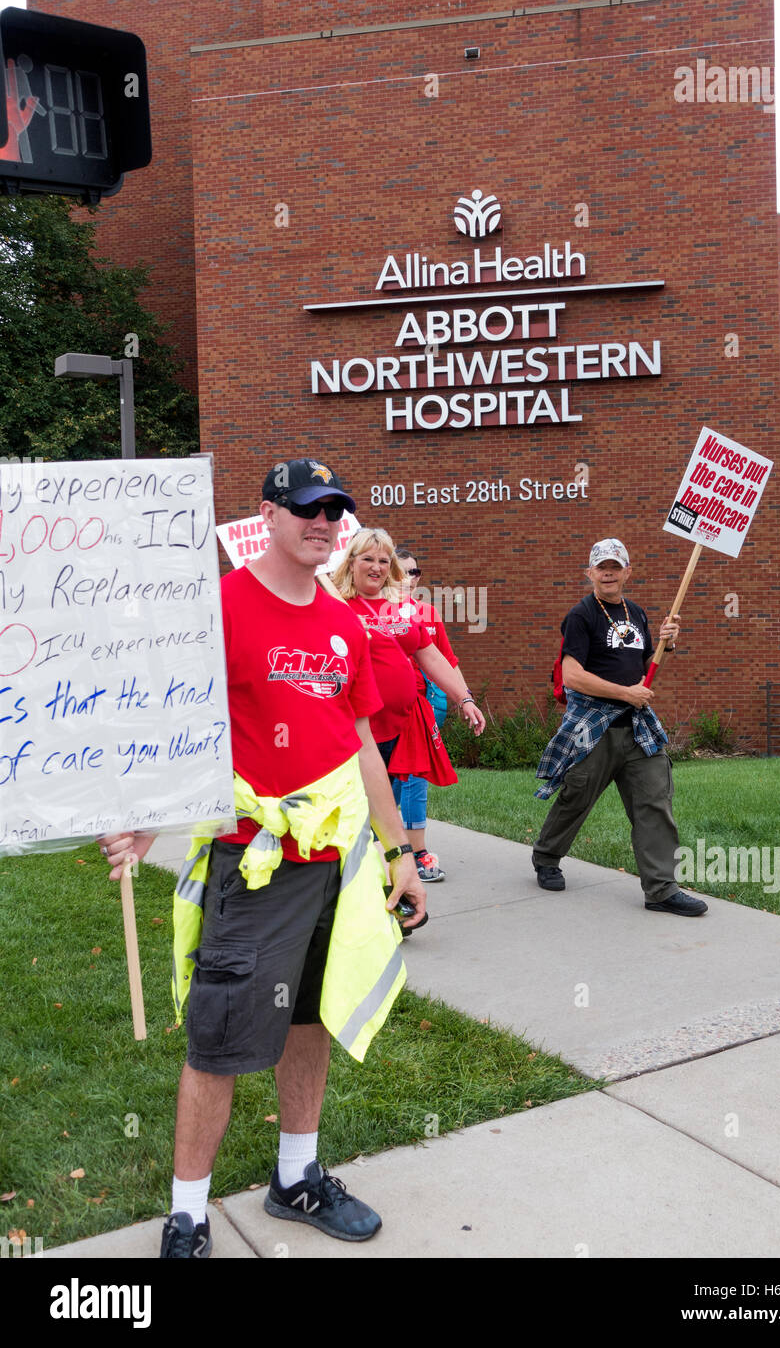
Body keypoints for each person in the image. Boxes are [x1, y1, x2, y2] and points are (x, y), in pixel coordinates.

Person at [99, 458, 427, 1258]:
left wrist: (400, 853)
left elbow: (362, 748)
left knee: (310, 1017)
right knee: (219, 1041)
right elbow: (179, 726)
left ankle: (297, 1176)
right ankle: (187, 1214)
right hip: (252, 862)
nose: (324, 524)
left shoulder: (345, 623)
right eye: (307, 509)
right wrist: (148, 822)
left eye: (334, 512)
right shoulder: (220, 609)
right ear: (269, 515)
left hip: (334, 865)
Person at [532, 537, 708, 917]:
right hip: (593, 726)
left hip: (637, 727)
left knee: (654, 801)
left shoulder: (638, 613)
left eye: (615, 566)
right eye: (601, 566)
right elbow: (572, 676)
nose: (608, 572)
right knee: (577, 796)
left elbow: (645, 669)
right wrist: (625, 694)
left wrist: (667, 645)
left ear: (628, 571)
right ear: (590, 573)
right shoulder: (582, 615)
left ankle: (661, 890)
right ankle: (546, 856)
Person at [331, 532, 485, 854]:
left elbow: (429, 654)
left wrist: (464, 697)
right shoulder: (335, 604)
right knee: (358, 811)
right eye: (368, 559)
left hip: (397, 729)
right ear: (351, 562)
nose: (376, 567)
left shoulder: (402, 607)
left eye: (383, 561)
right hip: (357, 734)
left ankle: (389, 871)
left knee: (387, 803)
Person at [392, 546, 456, 883]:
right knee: (387, 785)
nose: (409, 579)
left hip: (419, 710)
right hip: (382, 715)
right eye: (401, 571)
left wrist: (465, 699)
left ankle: (418, 853)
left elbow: (446, 661)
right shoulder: (371, 613)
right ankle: (385, 847)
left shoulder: (428, 614)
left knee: (415, 780)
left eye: (414, 572)